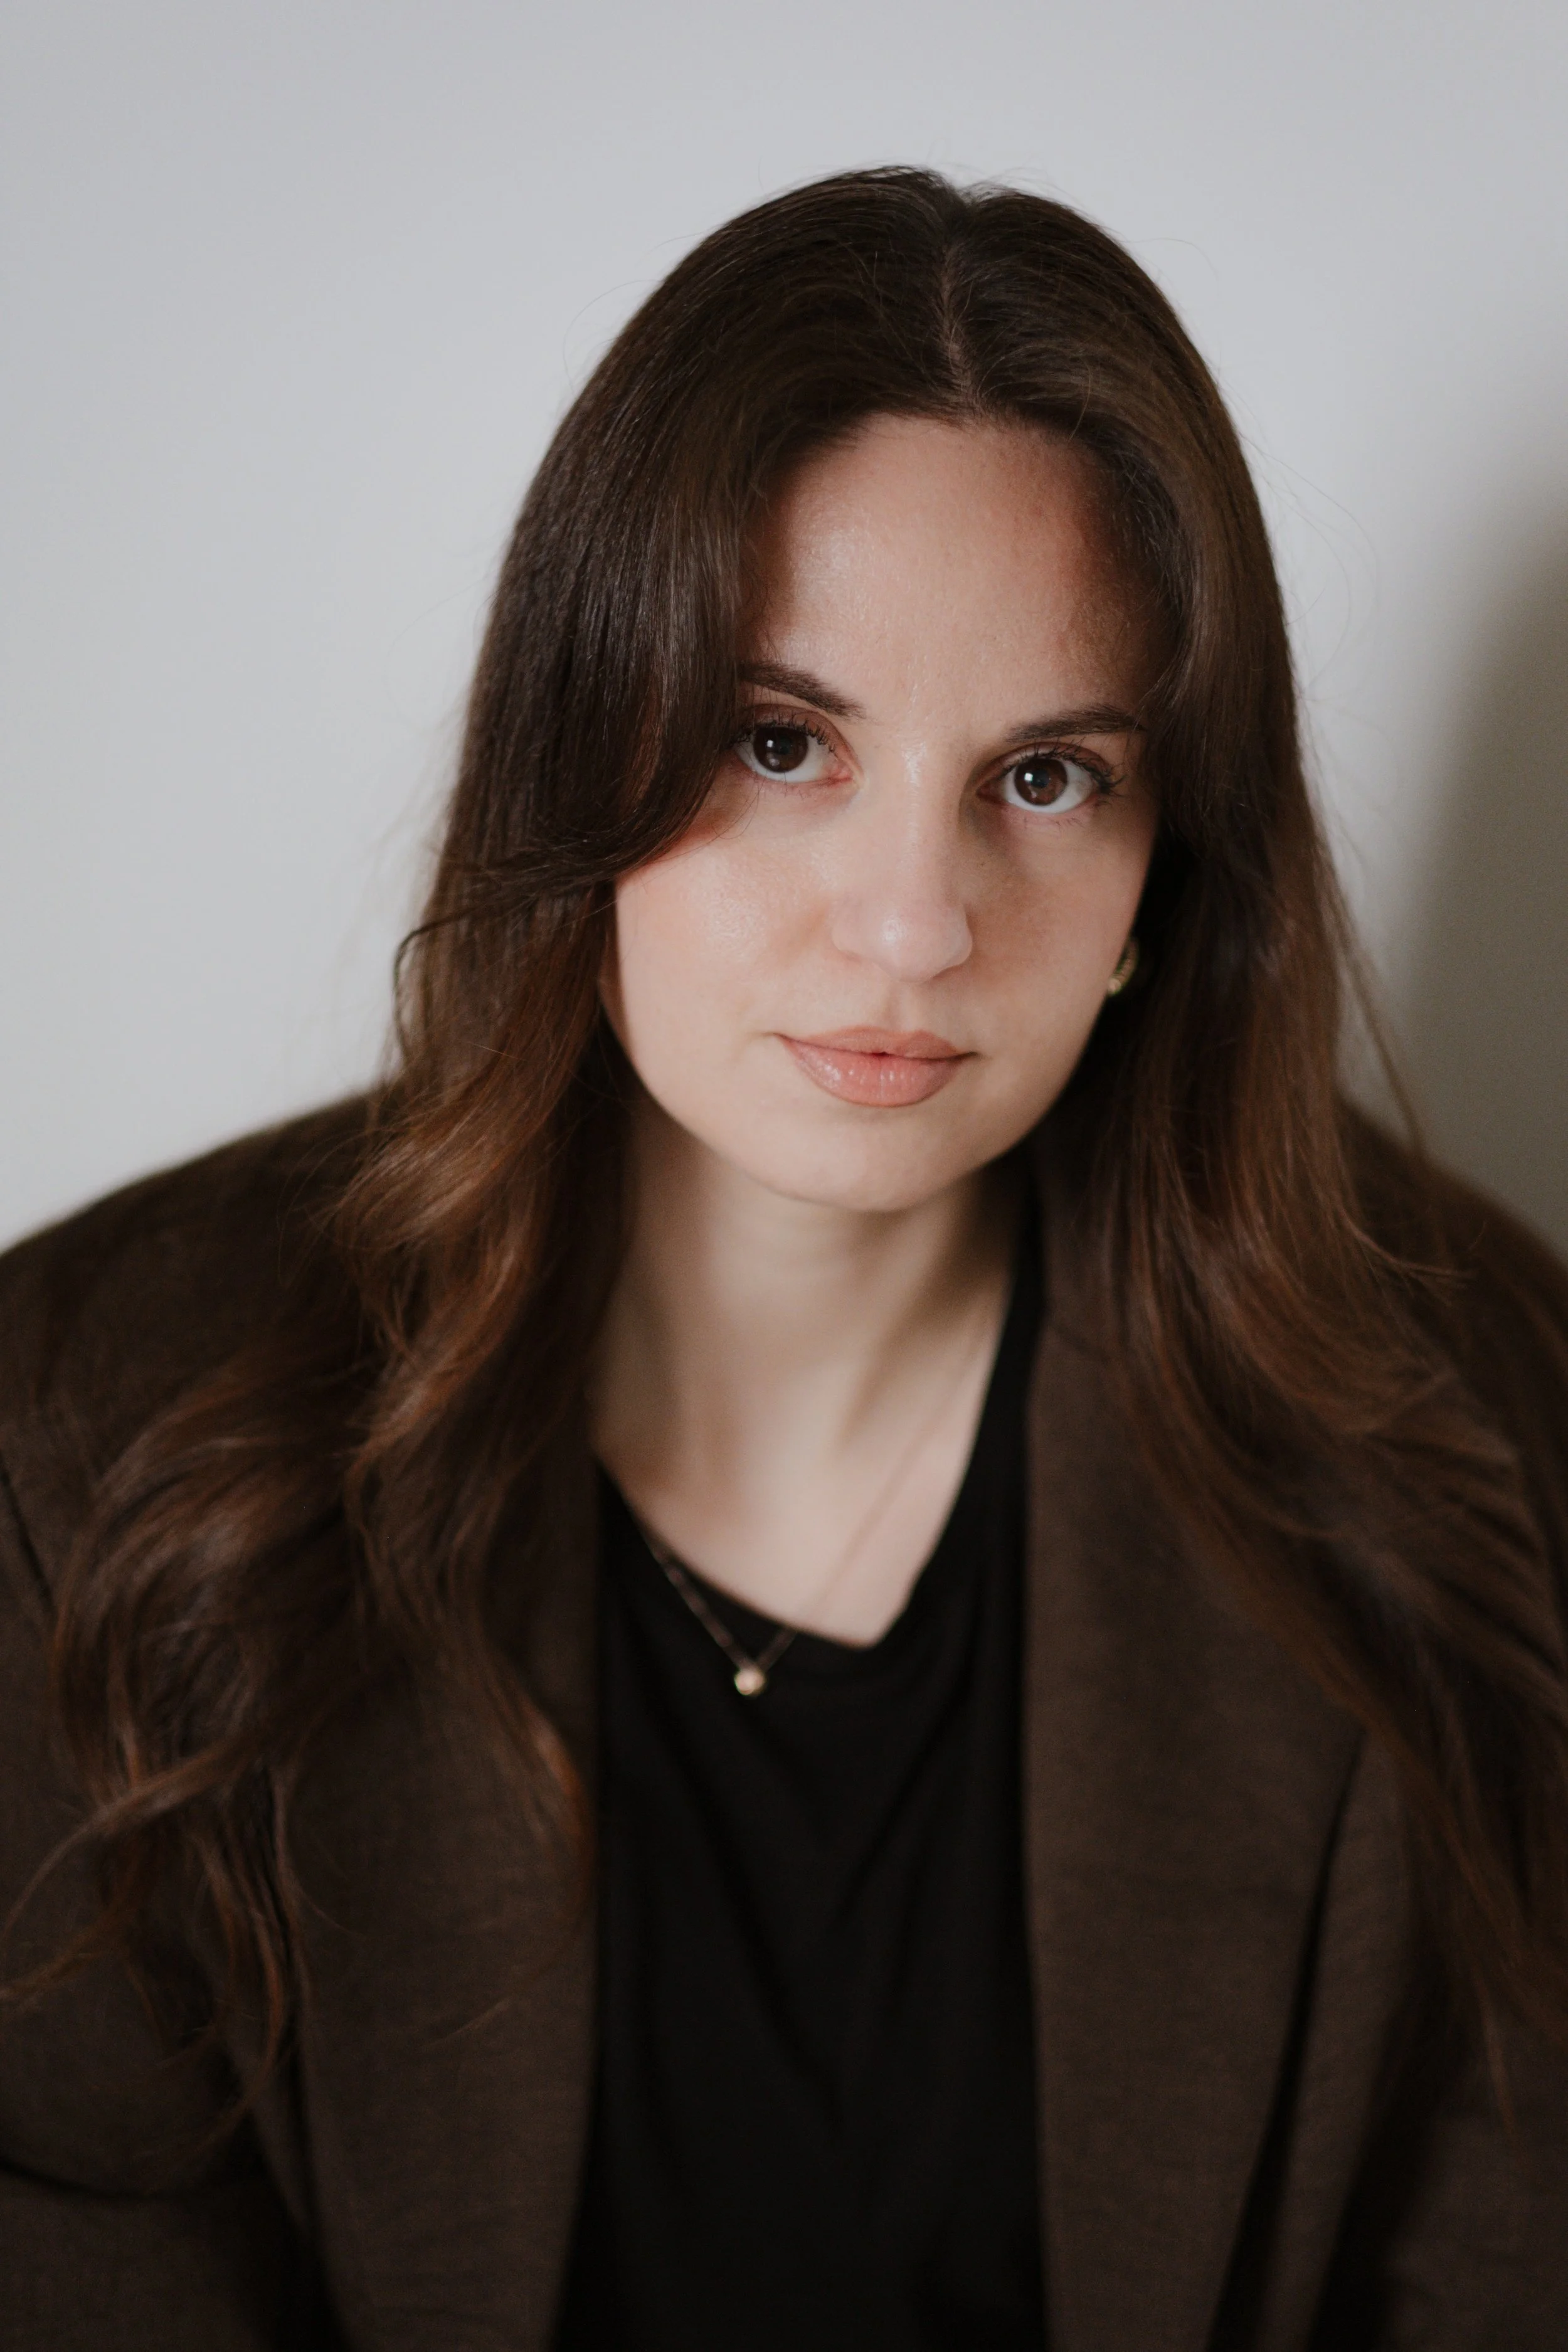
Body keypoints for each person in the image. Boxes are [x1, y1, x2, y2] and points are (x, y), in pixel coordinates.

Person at [3, 166, 1567, 2352]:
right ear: (579, 739)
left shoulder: (1484, 1424)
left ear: (1162, 868)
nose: (913, 926)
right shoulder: (79, 1434)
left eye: (1041, 775)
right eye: (778, 743)